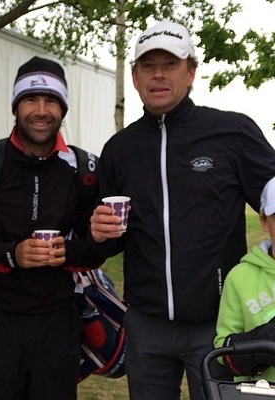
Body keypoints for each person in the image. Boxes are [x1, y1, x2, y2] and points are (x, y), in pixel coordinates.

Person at [89, 20, 275, 400]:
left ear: (190, 72)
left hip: (217, 323)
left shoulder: (232, 133)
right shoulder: (119, 150)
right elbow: (108, 243)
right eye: (148, 66)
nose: (158, 74)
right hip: (146, 326)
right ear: (135, 77)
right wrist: (99, 232)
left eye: (170, 64)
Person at [0, 56, 105, 400]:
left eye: (51, 100)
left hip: (57, 322)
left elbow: (98, 249)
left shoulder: (84, 168)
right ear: (15, 106)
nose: (41, 111)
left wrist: (69, 251)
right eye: (30, 99)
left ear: (63, 108)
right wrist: (13, 254)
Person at [214, 176, 275, 381]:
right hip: (261, 391)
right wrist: (261, 345)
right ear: (264, 222)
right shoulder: (240, 277)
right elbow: (223, 349)